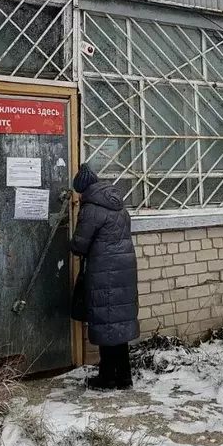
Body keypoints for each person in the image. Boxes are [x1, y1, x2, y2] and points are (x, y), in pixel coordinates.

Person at [69, 162, 140, 390]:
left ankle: (108, 378)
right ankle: (124, 378)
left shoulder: (91, 209)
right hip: (125, 269)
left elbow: (80, 245)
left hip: (104, 272)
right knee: (118, 324)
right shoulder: (118, 205)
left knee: (107, 324)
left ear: (83, 189)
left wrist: (68, 241)